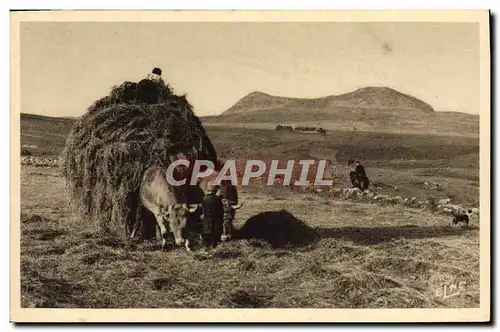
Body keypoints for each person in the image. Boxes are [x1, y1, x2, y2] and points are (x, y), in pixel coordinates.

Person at [200, 181, 224, 248]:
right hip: (216, 221)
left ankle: (206, 246)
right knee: (215, 234)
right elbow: (221, 211)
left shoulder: (204, 198)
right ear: (216, 190)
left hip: (206, 220)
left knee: (206, 233)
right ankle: (214, 245)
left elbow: (203, 210)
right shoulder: (217, 199)